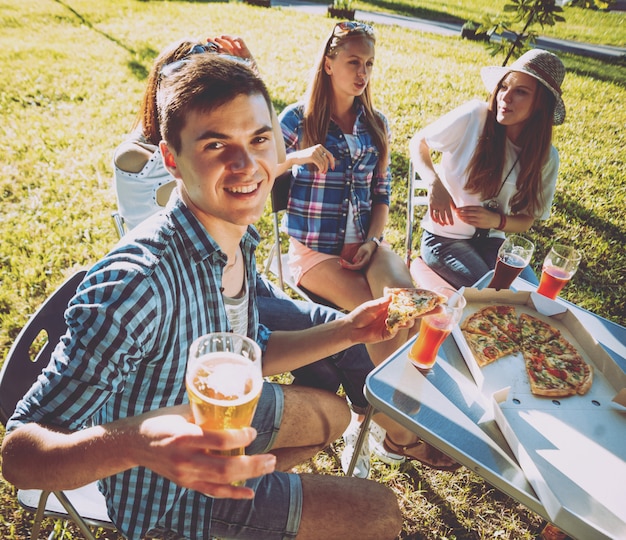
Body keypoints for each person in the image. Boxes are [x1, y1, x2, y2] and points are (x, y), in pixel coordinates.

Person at [2, 54, 404, 540]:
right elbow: (20, 456)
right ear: (172, 160)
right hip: (164, 492)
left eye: (258, 139)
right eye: (217, 144)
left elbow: (251, 348)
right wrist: (138, 444)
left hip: (218, 419)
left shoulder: (236, 236)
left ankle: (257, 506)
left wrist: (349, 330)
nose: (247, 165)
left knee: (334, 416)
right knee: (382, 513)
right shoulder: (137, 285)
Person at [113, 35, 375, 415]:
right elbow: (204, 179)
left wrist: (252, 81)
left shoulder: (219, 151)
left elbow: (273, 156)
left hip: (238, 274)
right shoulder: (137, 156)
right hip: (197, 295)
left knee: (335, 337)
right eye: (202, 80)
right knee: (327, 361)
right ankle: (370, 426)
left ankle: (342, 421)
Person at [277, 21, 459, 476]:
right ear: (329, 63)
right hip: (313, 252)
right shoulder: (296, 120)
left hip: (368, 247)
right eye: (354, 62)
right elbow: (261, 167)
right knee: (380, 319)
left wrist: (374, 241)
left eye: (370, 64)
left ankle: (379, 419)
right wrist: (299, 156)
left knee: (411, 308)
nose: (363, 73)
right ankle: (390, 429)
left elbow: (382, 193)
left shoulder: (376, 124)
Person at [409, 49, 566, 289]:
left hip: (494, 244)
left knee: (534, 297)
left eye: (521, 92)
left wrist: (497, 220)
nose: (506, 97)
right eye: (504, 87)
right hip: (443, 240)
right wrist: (434, 183)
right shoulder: (475, 116)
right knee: (495, 294)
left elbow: (526, 221)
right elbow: (418, 142)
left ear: (540, 104)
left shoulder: (545, 157)